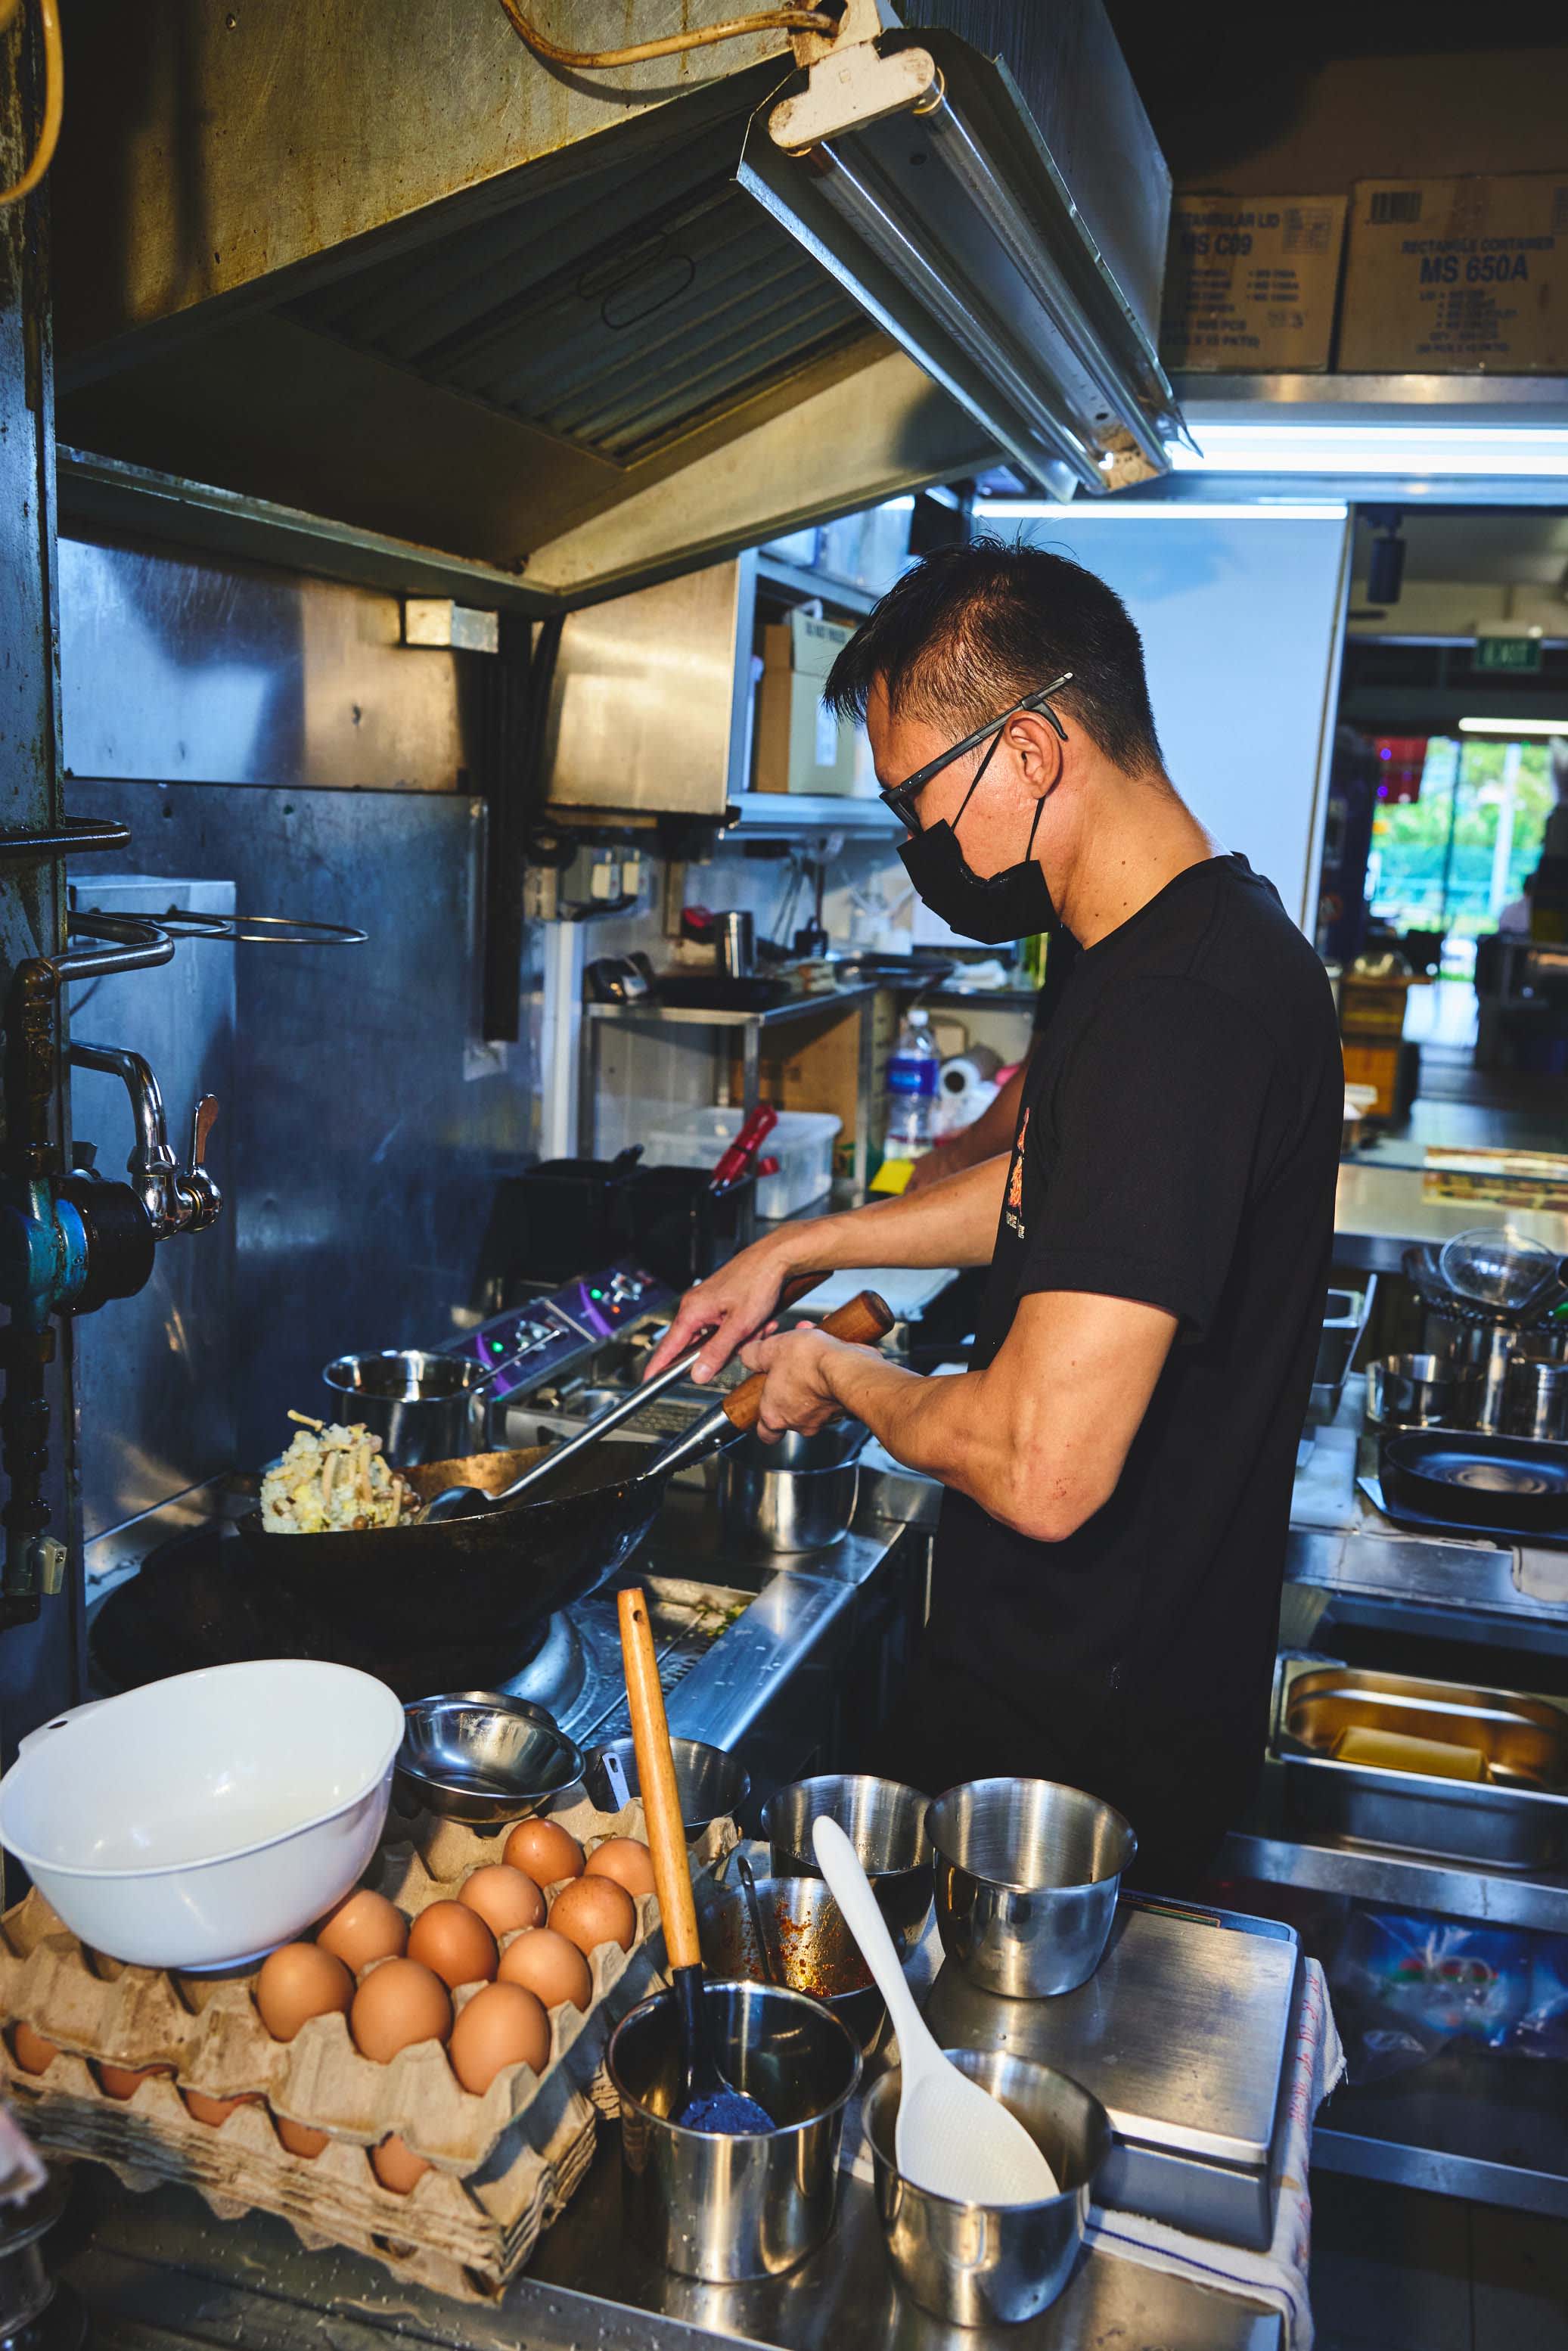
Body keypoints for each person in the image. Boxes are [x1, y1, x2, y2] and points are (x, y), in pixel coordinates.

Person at [643, 542, 1343, 1890]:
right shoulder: (1159, 944)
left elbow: (1042, 1465)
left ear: (1027, 752)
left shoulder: (1177, 1014)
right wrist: (798, 1248)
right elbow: (1049, 1198)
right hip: (1074, 1700)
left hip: (1082, 1773)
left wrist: (839, 1371)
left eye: (918, 798)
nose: (919, 848)